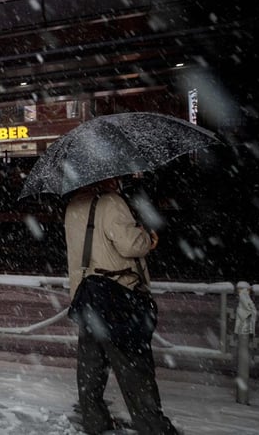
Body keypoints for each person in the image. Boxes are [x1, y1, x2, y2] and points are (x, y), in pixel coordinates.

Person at [64, 177, 179, 435]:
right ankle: (152, 425)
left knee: (91, 366)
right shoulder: (111, 202)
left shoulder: (73, 205)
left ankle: (95, 420)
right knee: (134, 367)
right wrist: (146, 237)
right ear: (107, 176)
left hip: (86, 296)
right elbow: (129, 245)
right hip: (117, 296)